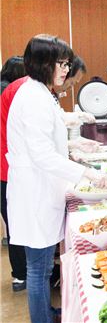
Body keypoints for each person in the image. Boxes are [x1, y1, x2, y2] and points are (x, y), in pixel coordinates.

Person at [5, 34, 107, 323]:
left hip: (41, 189)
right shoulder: (33, 96)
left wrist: (74, 145)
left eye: (67, 63)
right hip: (34, 193)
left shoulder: (39, 91)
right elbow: (41, 155)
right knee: (38, 270)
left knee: (43, 268)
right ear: (42, 62)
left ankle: (47, 313)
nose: (66, 69)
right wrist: (86, 173)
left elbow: (47, 136)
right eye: (61, 63)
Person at [0, 55, 27, 292]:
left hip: (3, 168)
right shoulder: (14, 92)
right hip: (10, 168)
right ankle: (22, 274)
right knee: (19, 224)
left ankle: (19, 274)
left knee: (12, 224)